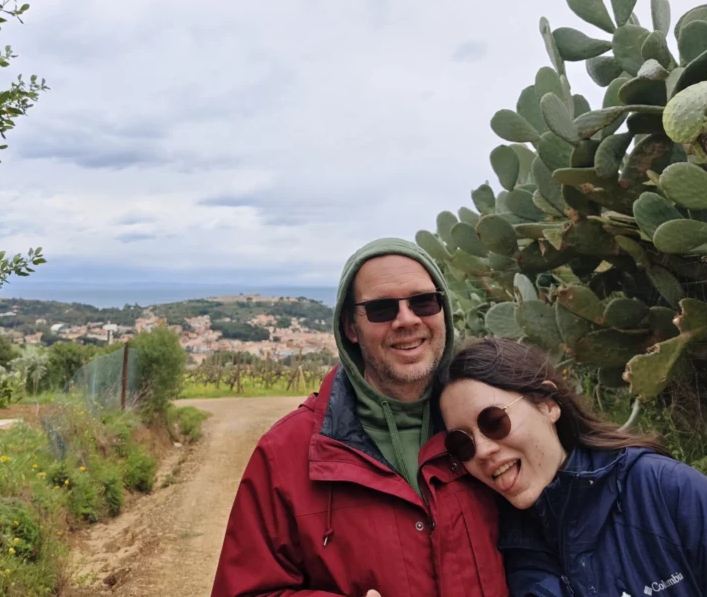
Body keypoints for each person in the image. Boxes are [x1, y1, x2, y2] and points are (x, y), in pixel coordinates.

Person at [210, 238, 508, 597]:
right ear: (350, 327)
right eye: (382, 309)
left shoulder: (495, 426)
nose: (407, 320)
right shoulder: (284, 454)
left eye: (424, 302)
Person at [439, 336, 707, 597]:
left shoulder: (668, 492)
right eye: (462, 444)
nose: (482, 450)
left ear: (547, 405)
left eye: (493, 421)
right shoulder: (508, 549)